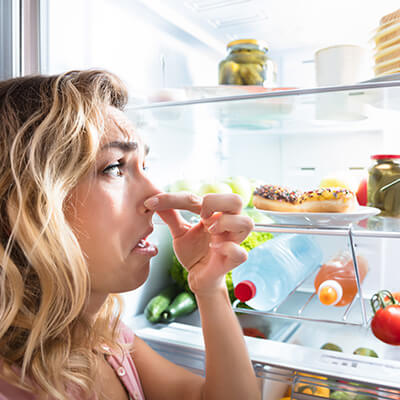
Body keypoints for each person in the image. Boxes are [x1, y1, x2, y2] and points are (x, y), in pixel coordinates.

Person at [0, 70, 260, 400]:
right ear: (28, 204)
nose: (155, 196)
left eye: (144, 167)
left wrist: (210, 289)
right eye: (115, 167)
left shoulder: (105, 336)